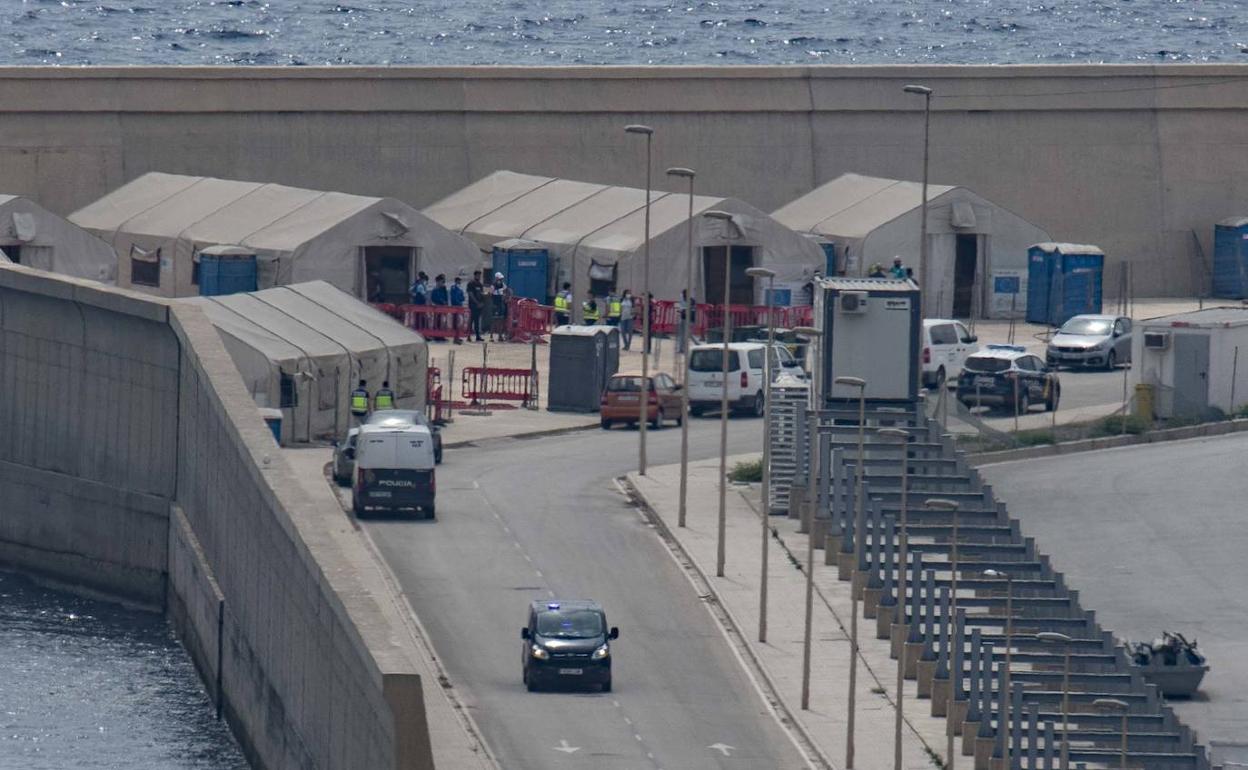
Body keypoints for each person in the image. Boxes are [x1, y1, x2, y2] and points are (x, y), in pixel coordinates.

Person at [466, 270, 485, 342]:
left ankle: (477, 336)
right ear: (475, 275)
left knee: (477, 321)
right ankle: (468, 336)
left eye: (480, 275)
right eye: (478, 275)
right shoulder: (471, 283)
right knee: (471, 321)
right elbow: (470, 294)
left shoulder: (480, 284)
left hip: (479, 306)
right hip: (472, 305)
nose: (479, 276)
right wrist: (477, 303)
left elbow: (481, 294)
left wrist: (482, 303)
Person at [490, 272, 509, 341]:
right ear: (496, 278)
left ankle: (500, 336)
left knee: (501, 320)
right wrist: (493, 304)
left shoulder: (503, 284)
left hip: (501, 304)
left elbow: (507, 290)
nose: (501, 279)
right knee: (494, 320)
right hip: (495, 305)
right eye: (500, 278)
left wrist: (506, 297)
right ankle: (491, 336)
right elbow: (491, 295)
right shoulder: (493, 285)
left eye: (501, 278)